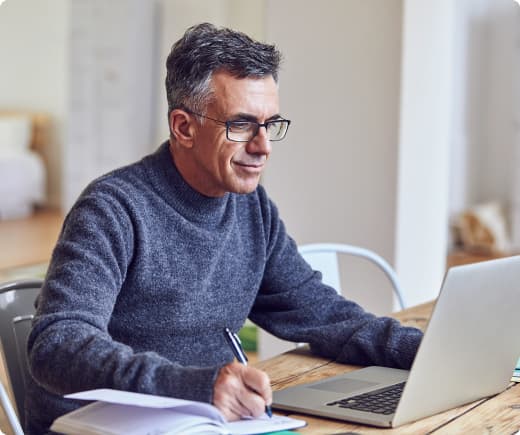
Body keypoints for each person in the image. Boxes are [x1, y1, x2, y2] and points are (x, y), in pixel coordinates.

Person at [26, 23, 423, 433]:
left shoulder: (251, 208)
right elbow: (57, 344)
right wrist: (193, 385)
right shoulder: (112, 209)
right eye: (241, 125)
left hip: (206, 422)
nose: (263, 146)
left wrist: (431, 351)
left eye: (270, 124)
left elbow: (323, 315)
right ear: (183, 127)